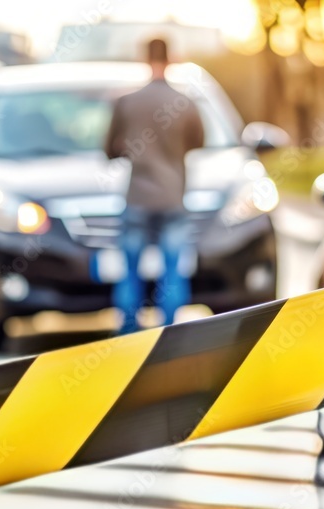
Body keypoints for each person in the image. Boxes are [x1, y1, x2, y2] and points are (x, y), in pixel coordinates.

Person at [104, 39, 205, 334]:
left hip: (137, 198)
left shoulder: (126, 103)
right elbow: (198, 143)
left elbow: (110, 150)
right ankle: (169, 333)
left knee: (130, 271)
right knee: (173, 271)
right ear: (172, 59)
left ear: (144, 58)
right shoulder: (186, 103)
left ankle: (128, 330)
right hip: (173, 198)